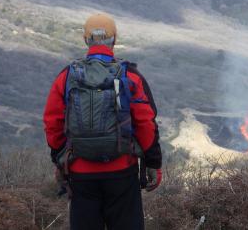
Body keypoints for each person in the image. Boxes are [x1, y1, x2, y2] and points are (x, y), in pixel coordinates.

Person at [43, 13, 162, 230]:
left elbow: (53, 123)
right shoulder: (130, 75)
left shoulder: (67, 76)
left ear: (85, 39)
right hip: (122, 171)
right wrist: (153, 164)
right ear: (114, 39)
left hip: (81, 173)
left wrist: (60, 160)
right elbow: (146, 123)